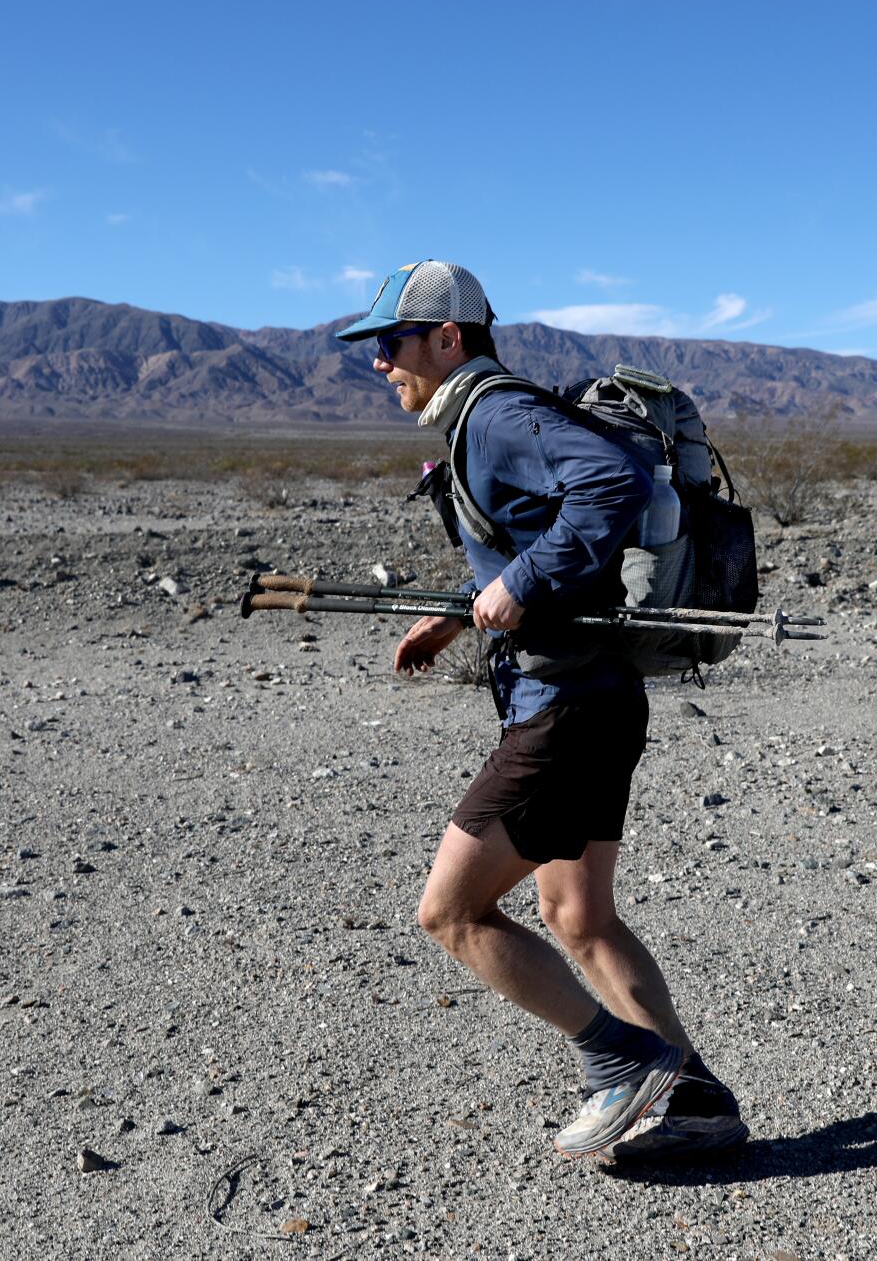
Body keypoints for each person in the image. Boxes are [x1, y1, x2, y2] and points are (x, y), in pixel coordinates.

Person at [335, 260, 746, 1161]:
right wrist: (456, 614)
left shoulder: (494, 414)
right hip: (599, 698)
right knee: (580, 918)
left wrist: (521, 583)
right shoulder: (483, 418)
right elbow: (527, 534)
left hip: (563, 708)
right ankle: (699, 1104)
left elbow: (612, 484)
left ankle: (620, 1062)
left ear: (448, 338)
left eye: (388, 343)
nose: (377, 364)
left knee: (449, 912)